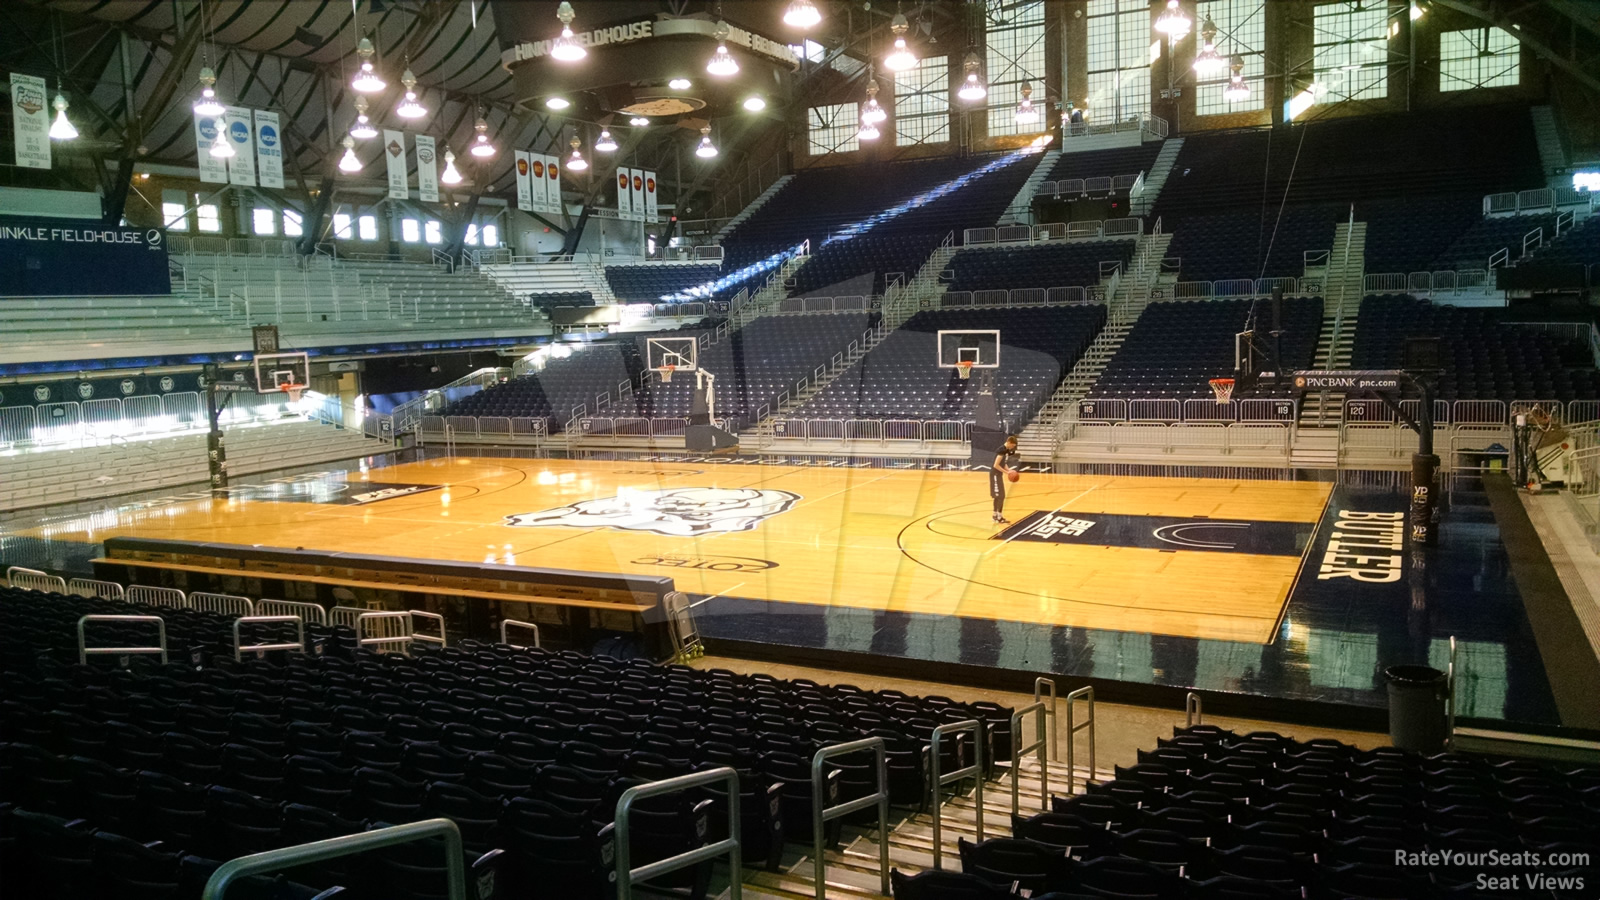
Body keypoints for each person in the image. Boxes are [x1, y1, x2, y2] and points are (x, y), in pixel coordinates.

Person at [990, 435, 1020, 524]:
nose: (1013, 448)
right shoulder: (1001, 450)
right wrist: (1007, 473)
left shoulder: (1005, 450)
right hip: (995, 474)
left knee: (999, 495)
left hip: (997, 475)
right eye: (1013, 446)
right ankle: (999, 516)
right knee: (1000, 496)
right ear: (1010, 442)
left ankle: (995, 515)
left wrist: (1009, 470)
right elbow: (996, 465)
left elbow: (1003, 463)